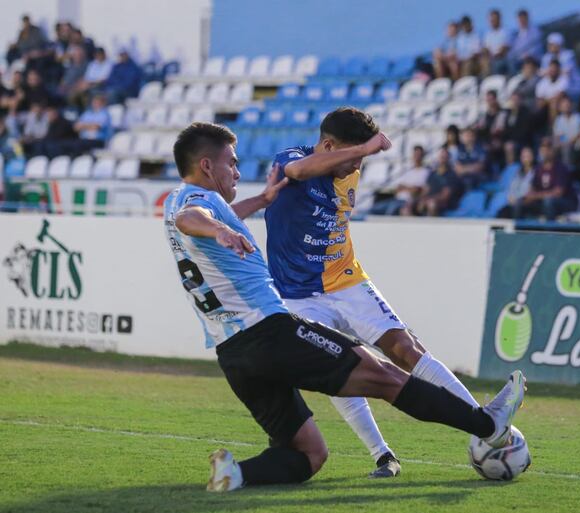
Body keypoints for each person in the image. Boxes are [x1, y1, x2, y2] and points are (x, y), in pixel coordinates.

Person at [164, 121, 526, 490]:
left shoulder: (177, 197)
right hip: (268, 332)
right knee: (387, 377)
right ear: (207, 166)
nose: (237, 171)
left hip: (233, 354)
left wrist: (261, 201)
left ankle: (234, 474)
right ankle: (488, 426)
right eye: (231, 163)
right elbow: (194, 219)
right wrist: (221, 231)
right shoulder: (198, 206)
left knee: (309, 454)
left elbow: (194, 217)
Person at [516, 138, 575, 220]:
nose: (545, 151)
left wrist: (536, 196)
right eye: (543, 148)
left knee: (548, 202)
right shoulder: (538, 169)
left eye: (548, 148)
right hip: (543, 201)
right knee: (520, 203)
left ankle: (549, 231)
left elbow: (558, 193)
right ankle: (519, 229)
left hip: (565, 202)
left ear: (553, 150)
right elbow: (532, 190)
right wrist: (528, 197)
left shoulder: (561, 168)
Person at [370, 145, 430, 216]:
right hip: (397, 199)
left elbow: (417, 190)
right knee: (374, 209)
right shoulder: (408, 170)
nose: (416, 157)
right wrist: (410, 188)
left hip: (407, 202)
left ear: (422, 156)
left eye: (418, 155)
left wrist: (406, 188)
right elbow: (398, 188)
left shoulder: (426, 172)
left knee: (390, 211)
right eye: (415, 154)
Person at [411, 147, 463, 216]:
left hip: (445, 203)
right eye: (441, 156)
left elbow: (445, 196)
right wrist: (421, 199)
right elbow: (426, 190)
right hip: (429, 199)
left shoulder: (452, 175)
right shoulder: (432, 174)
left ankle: (430, 225)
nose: (442, 158)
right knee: (409, 206)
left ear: (448, 158)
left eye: (444, 156)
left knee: (432, 204)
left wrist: (428, 199)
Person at [496, 145, 535, 218]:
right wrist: (511, 197)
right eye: (523, 156)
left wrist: (517, 199)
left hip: (527, 203)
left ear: (532, 157)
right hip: (514, 202)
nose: (525, 159)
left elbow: (530, 191)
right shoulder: (518, 172)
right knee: (501, 212)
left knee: (517, 208)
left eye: (527, 156)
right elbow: (512, 188)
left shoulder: (536, 172)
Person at [552, 96, 580, 165]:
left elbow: (579, 135)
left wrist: (568, 142)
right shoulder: (558, 120)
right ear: (560, 107)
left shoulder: (578, 117)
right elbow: (558, 135)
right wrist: (564, 142)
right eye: (564, 105)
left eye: (568, 104)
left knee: (567, 148)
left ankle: (567, 169)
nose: (566, 107)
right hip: (563, 143)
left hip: (577, 144)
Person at [480, 9, 510, 76]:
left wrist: (496, 55)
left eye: (494, 19)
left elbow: (505, 47)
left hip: (501, 58)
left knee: (495, 63)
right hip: (490, 58)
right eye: (491, 20)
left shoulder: (505, 32)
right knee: (483, 61)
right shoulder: (488, 34)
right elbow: (485, 48)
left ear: (499, 19)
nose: (492, 21)